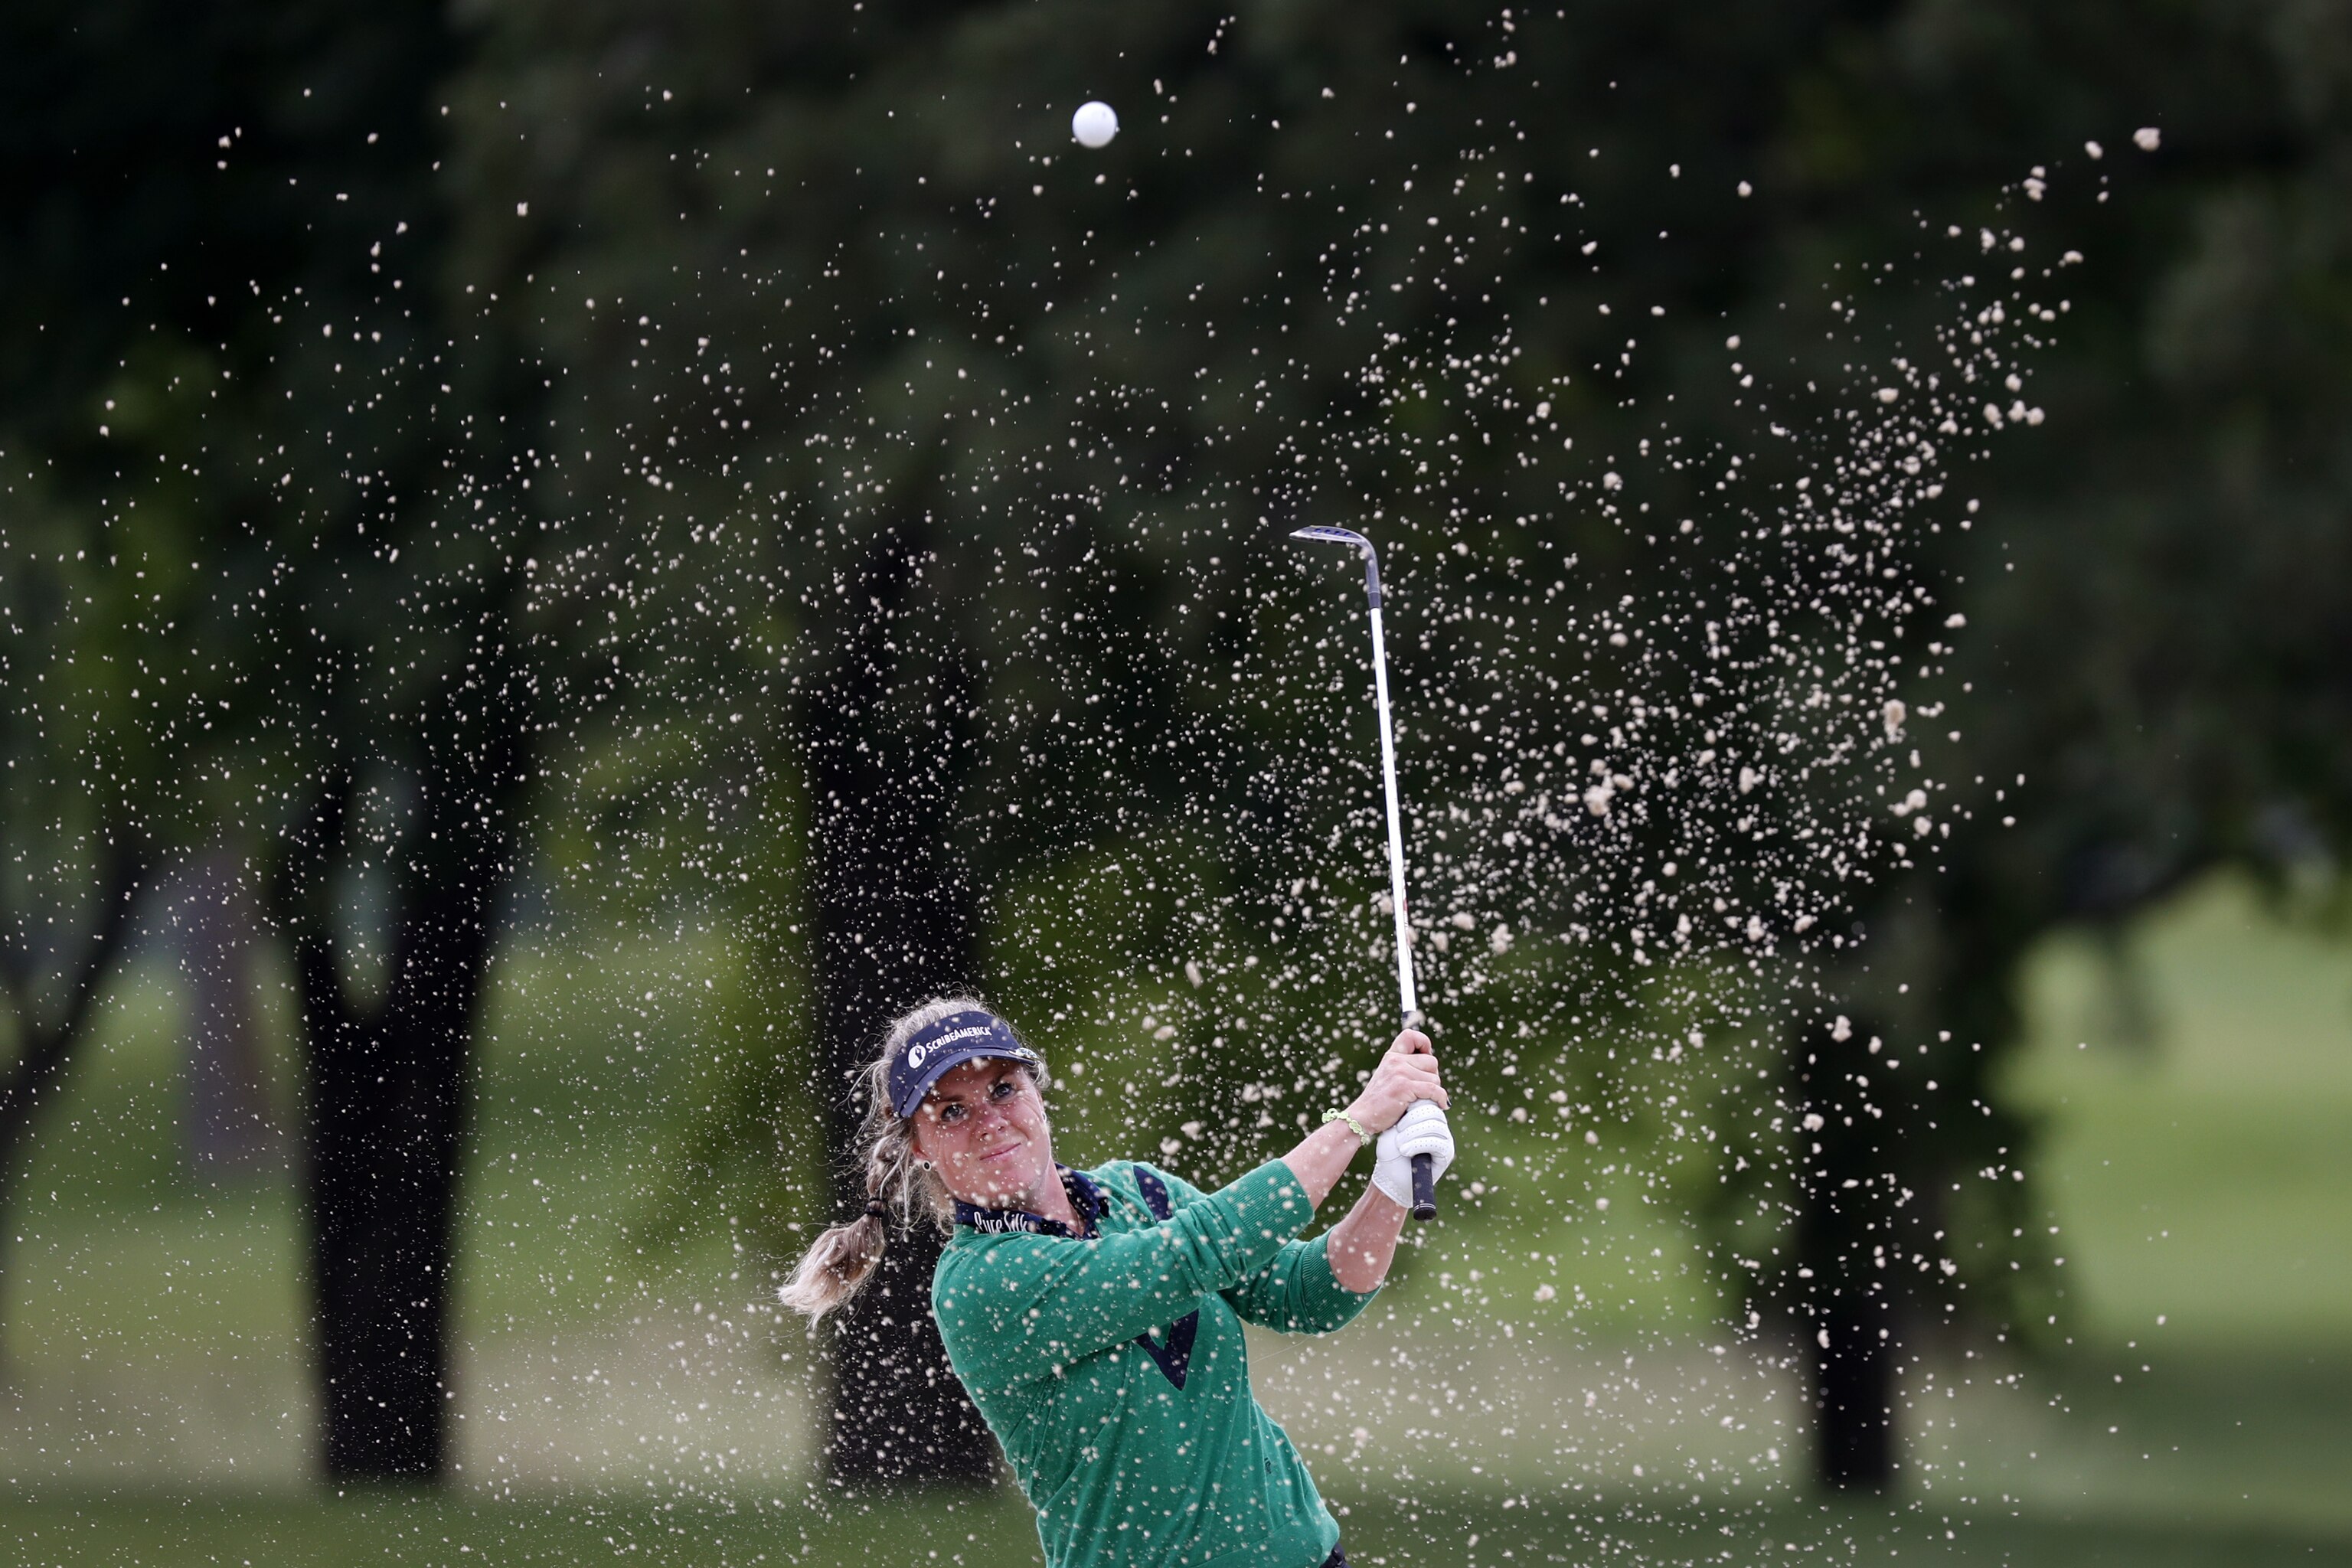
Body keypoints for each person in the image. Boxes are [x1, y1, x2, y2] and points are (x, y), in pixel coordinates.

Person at [780, 996, 1455, 1568]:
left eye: (1003, 1089)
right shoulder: (980, 1283)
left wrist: (1390, 1183)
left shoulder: (1140, 1191)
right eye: (951, 1111)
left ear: (1036, 1093)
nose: (989, 1120)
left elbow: (1310, 1295)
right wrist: (1358, 1119)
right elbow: (1200, 1250)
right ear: (919, 1147)